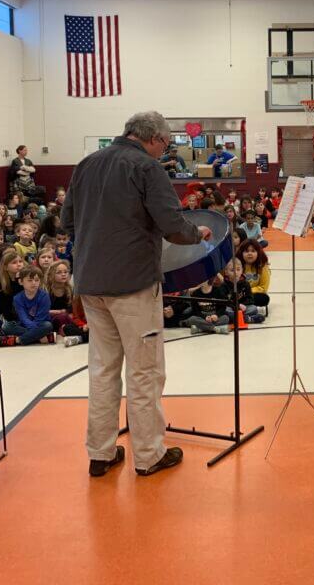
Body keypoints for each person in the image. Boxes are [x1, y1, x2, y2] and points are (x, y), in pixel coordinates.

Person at [62, 111, 211, 480]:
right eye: (165, 144)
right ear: (154, 138)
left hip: (91, 283)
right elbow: (173, 226)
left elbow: (67, 221)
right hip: (132, 285)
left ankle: (100, 453)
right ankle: (148, 455)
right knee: (145, 371)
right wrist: (199, 233)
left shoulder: (87, 164)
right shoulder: (147, 167)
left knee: (102, 370)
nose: (165, 151)